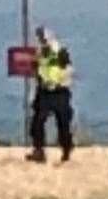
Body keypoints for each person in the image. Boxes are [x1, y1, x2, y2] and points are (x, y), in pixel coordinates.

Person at [28, 26, 74, 163]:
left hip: (60, 91)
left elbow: (68, 69)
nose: (42, 39)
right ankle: (39, 150)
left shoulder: (59, 51)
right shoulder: (40, 53)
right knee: (37, 122)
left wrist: (61, 81)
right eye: (40, 37)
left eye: (44, 36)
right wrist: (39, 80)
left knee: (63, 123)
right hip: (44, 92)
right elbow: (36, 68)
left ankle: (66, 149)